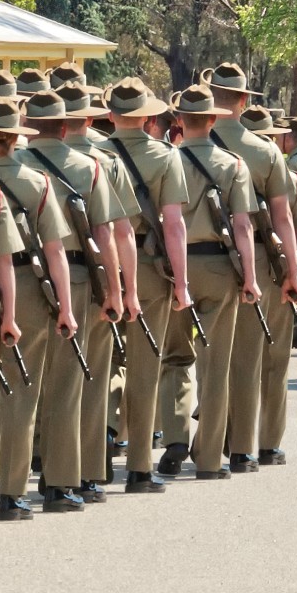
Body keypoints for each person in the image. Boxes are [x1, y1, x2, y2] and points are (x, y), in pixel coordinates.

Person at [19, 89, 126, 503]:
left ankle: (6, 480)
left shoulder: (7, 168)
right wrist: (115, 290)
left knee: (21, 380)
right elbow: (106, 233)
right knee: (72, 379)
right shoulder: (89, 168)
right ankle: (65, 477)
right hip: (78, 275)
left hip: (21, 277)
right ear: (66, 128)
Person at [202, 67, 297, 469]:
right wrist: (294, 272)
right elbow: (283, 220)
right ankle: (249, 446)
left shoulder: (185, 147)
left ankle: (203, 440)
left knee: (208, 356)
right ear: (243, 101)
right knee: (256, 355)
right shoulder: (265, 152)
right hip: (257, 256)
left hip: (196, 257)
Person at [162, 86, 260, 480]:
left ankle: (173, 436)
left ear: (179, 120)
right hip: (219, 267)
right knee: (215, 366)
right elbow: (242, 225)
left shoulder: (165, 161)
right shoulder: (234, 166)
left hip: (172, 266)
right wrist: (250, 277)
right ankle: (208, 459)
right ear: (214, 119)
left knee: (174, 358)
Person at [97, 79, 190, 493]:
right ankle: (137, 466)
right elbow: (173, 223)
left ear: (111, 115)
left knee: (100, 363)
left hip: (98, 264)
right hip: (147, 265)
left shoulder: (95, 154)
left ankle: (96, 444)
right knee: (145, 365)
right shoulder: (165, 156)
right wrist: (182, 282)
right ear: (150, 116)